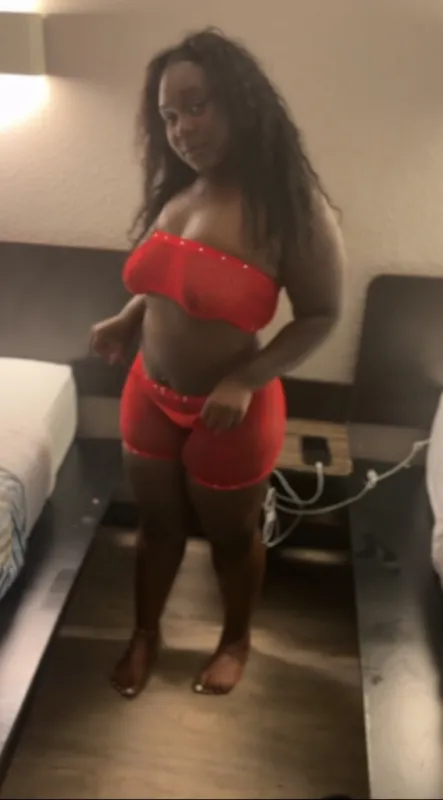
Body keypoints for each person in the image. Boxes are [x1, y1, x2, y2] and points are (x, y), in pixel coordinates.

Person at [90, 27, 344, 699]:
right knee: (155, 527)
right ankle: (145, 632)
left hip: (231, 406)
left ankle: (235, 640)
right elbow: (166, 282)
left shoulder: (292, 209)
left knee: (232, 539)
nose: (180, 129)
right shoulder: (180, 192)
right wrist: (127, 318)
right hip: (149, 390)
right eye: (169, 116)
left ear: (240, 102)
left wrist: (243, 380)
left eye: (196, 107)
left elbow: (321, 315)